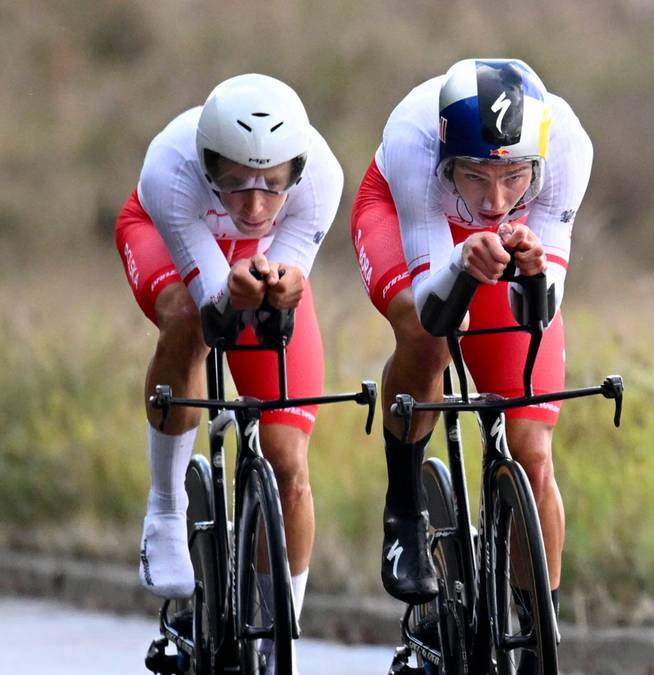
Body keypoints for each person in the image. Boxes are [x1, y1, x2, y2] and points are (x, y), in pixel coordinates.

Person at [350, 57, 591, 666]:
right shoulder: (413, 138)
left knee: (533, 452)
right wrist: (460, 265)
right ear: (448, 161)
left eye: (513, 176)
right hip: (408, 220)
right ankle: (403, 500)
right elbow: (435, 306)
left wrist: (534, 271)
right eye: (476, 175)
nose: (495, 198)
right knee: (426, 334)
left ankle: (539, 641)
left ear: (535, 160)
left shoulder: (567, 147)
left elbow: (539, 312)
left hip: (510, 248)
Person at [115, 73, 343, 670]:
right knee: (190, 319)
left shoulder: (321, 177)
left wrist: (278, 290)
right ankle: (165, 508)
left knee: (288, 458)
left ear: (295, 170)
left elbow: (280, 292)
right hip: (168, 238)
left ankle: (278, 632)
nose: (255, 205)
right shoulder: (171, 167)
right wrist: (231, 294)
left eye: (272, 186)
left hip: (257, 261)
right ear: (207, 163)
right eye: (236, 184)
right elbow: (220, 314)